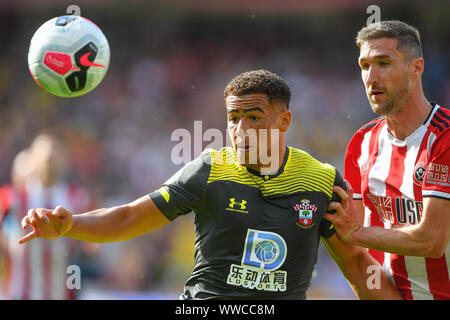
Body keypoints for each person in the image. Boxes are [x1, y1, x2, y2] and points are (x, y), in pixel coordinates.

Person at [19, 70, 402, 299]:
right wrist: (71, 225)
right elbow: (128, 219)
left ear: (285, 121)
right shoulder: (209, 170)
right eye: (233, 117)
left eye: (255, 116)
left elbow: (354, 262)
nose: (241, 128)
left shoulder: (321, 180)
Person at [324, 21, 450, 300]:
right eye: (364, 65)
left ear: (416, 68)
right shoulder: (361, 143)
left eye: (383, 63)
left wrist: (355, 232)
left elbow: (432, 240)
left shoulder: (445, 137)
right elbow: (354, 256)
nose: (371, 77)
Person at [0, 132, 91, 299]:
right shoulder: (13, 197)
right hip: (20, 293)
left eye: (54, 154)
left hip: (63, 293)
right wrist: (8, 242)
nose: (49, 159)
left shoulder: (77, 197)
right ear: (32, 159)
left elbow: (91, 244)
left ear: (64, 160)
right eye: (44, 156)